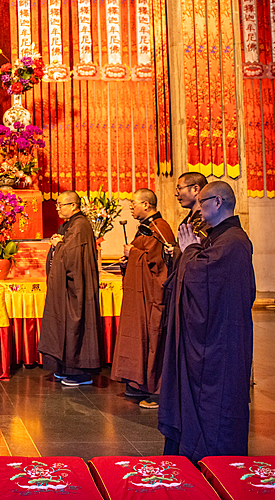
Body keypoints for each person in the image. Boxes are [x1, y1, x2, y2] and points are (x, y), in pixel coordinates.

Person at [159, 181, 255, 462]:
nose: (198, 209)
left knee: (216, 401)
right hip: (208, 335)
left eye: (202, 202)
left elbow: (204, 277)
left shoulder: (234, 241)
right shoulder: (217, 238)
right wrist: (188, 252)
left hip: (220, 342)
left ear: (218, 202)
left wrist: (189, 251)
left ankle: (214, 458)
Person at [112, 189, 175, 408]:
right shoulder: (146, 229)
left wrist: (134, 254)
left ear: (147, 205)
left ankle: (155, 390)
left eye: (134, 203)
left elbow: (159, 266)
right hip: (140, 296)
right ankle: (138, 384)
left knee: (153, 339)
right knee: (137, 336)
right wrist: (127, 259)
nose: (130, 206)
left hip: (153, 298)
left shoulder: (160, 228)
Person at [38, 190, 102, 386]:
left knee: (76, 324)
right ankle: (65, 367)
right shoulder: (69, 225)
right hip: (69, 286)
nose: (57, 208)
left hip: (78, 287)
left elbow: (72, 256)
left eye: (60, 205)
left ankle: (79, 372)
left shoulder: (80, 225)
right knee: (64, 325)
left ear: (73, 205)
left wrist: (60, 244)